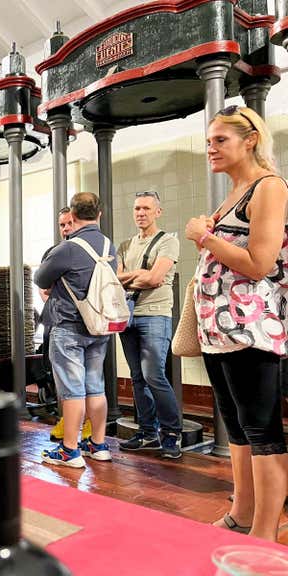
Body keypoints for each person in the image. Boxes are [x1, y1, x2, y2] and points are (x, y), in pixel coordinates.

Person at [184, 105, 288, 541]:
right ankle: (242, 512)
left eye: (220, 140)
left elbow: (260, 263)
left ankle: (264, 532)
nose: (211, 148)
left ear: (250, 140)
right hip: (219, 331)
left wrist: (204, 237)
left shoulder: (269, 186)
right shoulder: (234, 192)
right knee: (237, 426)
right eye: (208, 141)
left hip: (251, 328)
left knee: (262, 430)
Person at [35, 193, 114, 468]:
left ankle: (70, 451)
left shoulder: (68, 248)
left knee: (72, 390)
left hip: (68, 326)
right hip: (99, 326)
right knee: (96, 387)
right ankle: (98, 445)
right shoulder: (108, 245)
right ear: (99, 214)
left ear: (74, 215)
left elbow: (40, 278)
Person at [117, 190, 183, 459]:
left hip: (155, 315)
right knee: (137, 377)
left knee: (154, 375)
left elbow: (155, 279)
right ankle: (147, 433)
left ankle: (172, 434)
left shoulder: (168, 241)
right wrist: (139, 275)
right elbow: (116, 280)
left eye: (146, 208)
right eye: (137, 208)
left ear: (158, 212)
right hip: (128, 315)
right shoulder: (125, 246)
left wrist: (131, 277)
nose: (141, 213)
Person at [45, 207, 93, 443]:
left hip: (85, 322)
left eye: (69, 223)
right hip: (57, 319)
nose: (65, 228)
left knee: (88, 380)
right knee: (63, 379)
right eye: (61, 224)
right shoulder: (55, 252)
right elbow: (43, 286)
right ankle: (68, 420)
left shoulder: (88, 250)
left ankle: (85, 427)